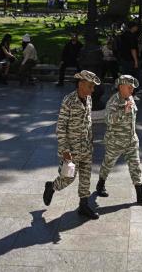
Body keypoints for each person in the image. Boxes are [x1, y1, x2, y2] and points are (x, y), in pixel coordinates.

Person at [43, 70, 101, 219]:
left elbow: (88, 122)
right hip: (72, 150)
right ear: (81, 84)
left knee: (86, 177)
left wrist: (91, 141)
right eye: (90, 86)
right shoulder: (68, 101)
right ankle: (52, 186)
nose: (92, 90)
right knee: (68, 178)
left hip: (87, 147)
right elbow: (60, 127)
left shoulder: (88, 99)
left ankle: (83, 205)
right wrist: (65, 150)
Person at [96, 75, 142, 204]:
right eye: (129, 88)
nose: (132, 90)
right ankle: (100, 185)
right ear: (120, 87)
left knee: (135, 166)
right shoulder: (113, 102)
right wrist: (123, 111)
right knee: (108, 164)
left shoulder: (130, 98)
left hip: (131, 140)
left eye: (132, 88)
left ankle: (140, 193)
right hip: (115, 141)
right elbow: (107, 120)